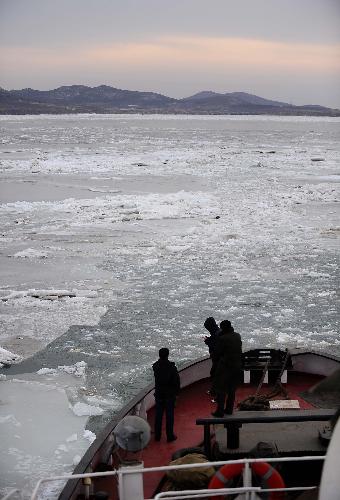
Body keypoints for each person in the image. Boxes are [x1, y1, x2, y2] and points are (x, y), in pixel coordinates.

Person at [211, 320, 242, 416]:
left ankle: (220, 411)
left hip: (226, 367)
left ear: (223, 328)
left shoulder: (223, 338)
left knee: (221, 389)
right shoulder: (237, 335)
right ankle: (229, 409)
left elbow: (217, 353)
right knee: (232, 389)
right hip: (237, 366)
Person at [153, 347, 180, 442]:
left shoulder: (155, 366)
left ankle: (157, 435)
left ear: (159, 355)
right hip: (169, 395)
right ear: (167, 355)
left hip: (159, 394)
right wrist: (176, 393)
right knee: (169, 416)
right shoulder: (172, 368)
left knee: (158, 415)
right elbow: (176, 382)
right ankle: (169, 436)